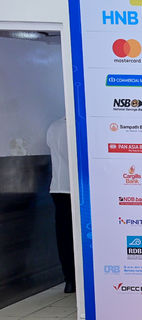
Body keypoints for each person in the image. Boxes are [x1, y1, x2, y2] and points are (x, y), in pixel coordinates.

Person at [46, 116, 76, 293]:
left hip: (58, 187)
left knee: (64, 235)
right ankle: (80, 278)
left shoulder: (53, 126)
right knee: (82, 236)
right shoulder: (78, 127)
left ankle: (69, 280)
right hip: (77, 189)